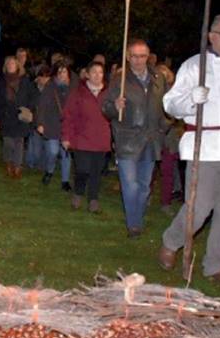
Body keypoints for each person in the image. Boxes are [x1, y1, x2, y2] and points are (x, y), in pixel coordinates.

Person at [159, 14, 220, 286]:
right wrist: (192, 99)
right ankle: (171, 241)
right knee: (198, 209)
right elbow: (170, 103)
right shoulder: (194, 65)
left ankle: (215, 265)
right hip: (205, 148)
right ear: (211, 35)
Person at [102, 38, 168, 236]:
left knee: (144, 186)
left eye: (142, 56)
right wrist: (115, 106)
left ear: (148, 57)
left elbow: (166, 106)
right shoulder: (119, 80)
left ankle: (136, 218)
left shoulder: (158, 78)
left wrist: (166, 126)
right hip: (128, 139)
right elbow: (105, 108)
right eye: (134, 56)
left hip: (150, 140)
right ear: (128, 57)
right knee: (130, 185)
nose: (139, 60)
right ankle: (134, 224)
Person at [61, 60, 111, 212]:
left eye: (100, 72)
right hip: (82, 138)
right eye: (94, 72)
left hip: (101, 138)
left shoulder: (109, 94)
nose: (97, 75)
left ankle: (93, 199)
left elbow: (115, 115)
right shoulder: (78, 93)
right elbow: (68, 116)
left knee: (96, 171)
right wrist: (66, 136)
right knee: (82, 169)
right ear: (87, 74)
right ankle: (78, 193)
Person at [0, 56, 36, 178]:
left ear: (17, 66)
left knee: (19, 142)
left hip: (21, 116)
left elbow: (33, 96)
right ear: (6, 66)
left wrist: (29, 109)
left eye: (13, 63)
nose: (11, 65)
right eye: (8, 64)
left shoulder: (25, 80)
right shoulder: (1, 82)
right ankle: (8, 162)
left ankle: (17, 166)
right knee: (8, 142)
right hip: (6, 116)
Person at [37, 62, 72, 190]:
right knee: (53, 151)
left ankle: (65, 181)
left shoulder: (73, 88)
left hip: (67, 125)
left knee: (66, 153)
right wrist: (40, 123)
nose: (62, 75)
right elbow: (42, 106)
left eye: (65, 72)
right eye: (60, 72)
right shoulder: (50, 87)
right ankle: (49, 170)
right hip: (52, 124)